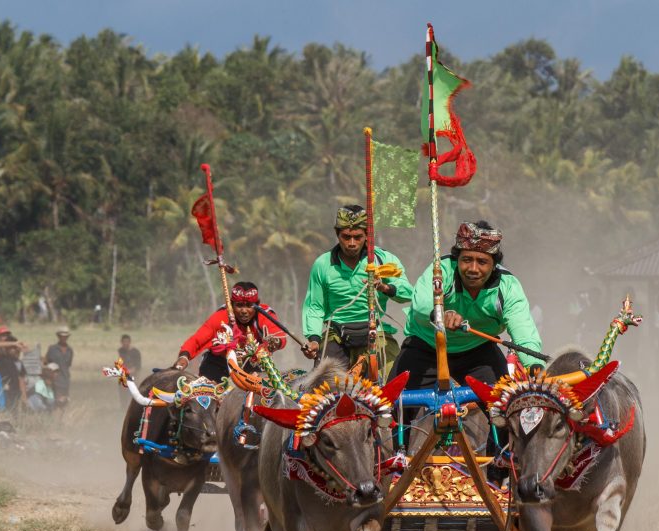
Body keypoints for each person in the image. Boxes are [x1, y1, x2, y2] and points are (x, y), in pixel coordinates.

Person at [391, 221, 544, 480]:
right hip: (426, 345)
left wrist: (534, 367)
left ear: (494, 263)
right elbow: (420, 305)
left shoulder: (508, 286)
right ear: (456, 258)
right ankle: (395, 465)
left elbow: (523, 330)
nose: (473, 269)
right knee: (392, 401)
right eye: (466, 260)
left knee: (507, 405)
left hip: (478, 350)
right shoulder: (440, 271)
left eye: (482, 262)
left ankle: (498, 473)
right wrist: (440, 312)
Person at [301, 204, 412, 374]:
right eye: (346, 237)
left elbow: (408, 293)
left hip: (376, 331)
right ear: (337, 234)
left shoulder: (383, 259)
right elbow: (315, 307)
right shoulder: (322, 264)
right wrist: (314, 340)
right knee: (322, 386)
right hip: (336, 334)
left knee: (395, 379)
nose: (351, 243)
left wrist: (385, 287)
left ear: (367, 235)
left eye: (358, 237)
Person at [174, 282, 287, 383]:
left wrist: (273, 343)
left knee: (266, 392)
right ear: (231, 305)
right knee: (206, 393)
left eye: (249, 306)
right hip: (219, 362)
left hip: (253, 362)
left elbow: (280, 337)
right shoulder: (221, 316)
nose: (244, 311)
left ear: (257, 304)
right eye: (239, 305)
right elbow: (197, 340)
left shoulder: (265, 314)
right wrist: (184, 357)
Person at [0, 335, 27, 411]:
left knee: (14, 412)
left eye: (15, 348)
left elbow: (21, 380)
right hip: (4, 392)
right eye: (11, 348)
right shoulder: (2, 358)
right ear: (6, 349)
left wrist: (24, 397)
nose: (14, 350)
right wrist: (15, 343)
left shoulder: (19, 363)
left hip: (15, 392)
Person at [45, 326, 74, 408]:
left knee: (64, 403)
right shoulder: (52, 349)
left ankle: (60, 420)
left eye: (66, 336)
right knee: (56, 402)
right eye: (62, 336)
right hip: (54, 381)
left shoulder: (70, 350)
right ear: (58, 336)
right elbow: (46, 362)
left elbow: (68, 365)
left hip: (65, 380)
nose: (64, 338)